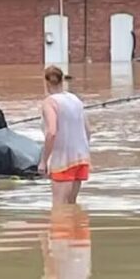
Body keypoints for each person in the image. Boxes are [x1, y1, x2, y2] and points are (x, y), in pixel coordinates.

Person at [38, 66, 91, 206]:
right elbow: (88, 130)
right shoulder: (75, 99)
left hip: (62, 160)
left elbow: (52, 132)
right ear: (62, 80)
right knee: (71, 204)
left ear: (46, 82)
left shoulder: (50, 102)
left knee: (59, 206)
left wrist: (43, 161)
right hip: (81, 158)